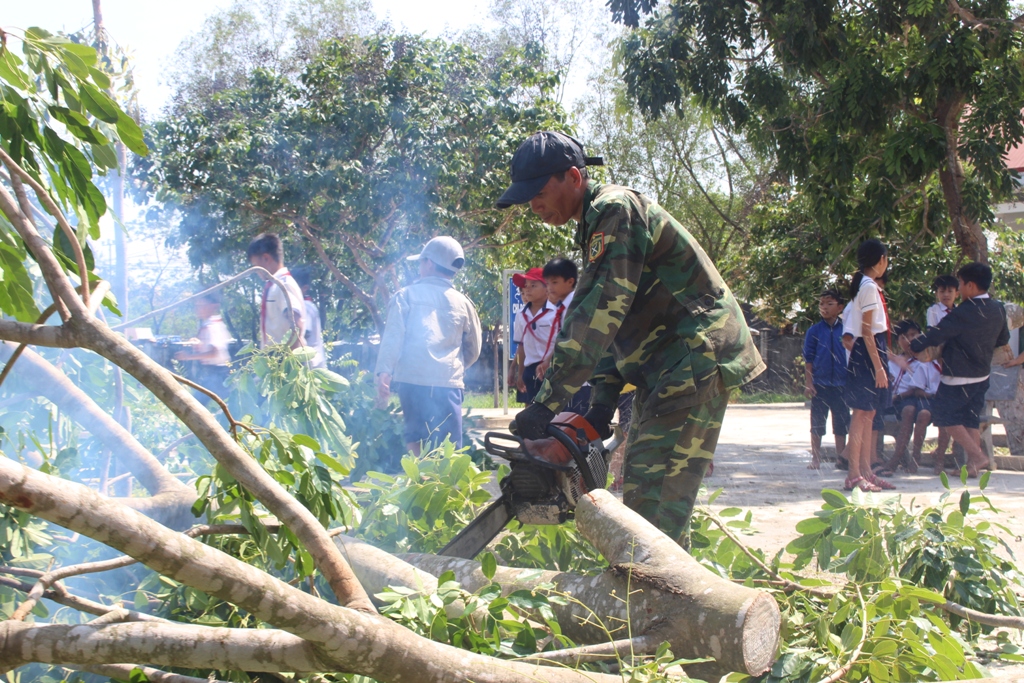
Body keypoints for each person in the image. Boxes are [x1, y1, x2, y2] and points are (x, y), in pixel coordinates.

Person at [496, 131, 764, 548]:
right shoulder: (594, 226)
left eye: (539, 192)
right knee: (651, 504)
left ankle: (658, 601)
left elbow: (598, 312)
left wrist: (545, 404)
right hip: (668, 366)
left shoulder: (614, 209)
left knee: (651, 510)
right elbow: (614, 322)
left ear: (573, 176)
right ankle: (675, 599)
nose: (534, 205)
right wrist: (601, 402)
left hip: (692, 358)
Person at [374, 236, 482, 455]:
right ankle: (447, 488)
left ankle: (421, 485)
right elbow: (474, 349)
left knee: (417, 442)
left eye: (421, 262)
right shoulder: (464, 303)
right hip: (448, 384)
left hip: (412, 382)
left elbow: (393, 338)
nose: (420, 266)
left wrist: (384, 372)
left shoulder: (405, 296)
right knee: (449, 450)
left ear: (429, 263)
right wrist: (453, 367)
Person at [910, 262, 1012, 477]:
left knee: (944, 415)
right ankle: (973, 466)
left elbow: (938, 334)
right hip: (982, 374)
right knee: (970, 418)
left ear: (971, 286)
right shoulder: (998, 308)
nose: (959, 290)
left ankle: (977, 456)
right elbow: (1003, 339)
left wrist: (914, 346)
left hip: (958, 376)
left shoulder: (964, 311)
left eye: (961, 285)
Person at [842, 239, 893, 493]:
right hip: (868, 352)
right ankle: (853, 474)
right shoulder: (869, 287)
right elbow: (867, 331)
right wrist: (879, 367)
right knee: (861, 413)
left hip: (873, 350)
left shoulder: (866, 285)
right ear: (880, 260)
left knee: (870, 413)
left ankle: (866, 471)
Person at [882, 320, 940, 474]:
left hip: (913, 399)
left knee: (910, 409)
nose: (909, 341)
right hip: (894, 401)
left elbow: (916, 390)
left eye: (913, 335)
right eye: (903, 337)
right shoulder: (893, 362)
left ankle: (909, 458)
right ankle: (894, 458)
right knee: (907, 409)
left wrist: (898, 396)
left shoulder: (925, 361)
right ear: (897, 341)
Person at [803, 289, 850, 470]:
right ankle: (816, 458)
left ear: (840, 307)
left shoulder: (846, 329)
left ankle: (841, 457)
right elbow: (809, 359)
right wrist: (809, 383)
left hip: (841, 384)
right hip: (820, 384)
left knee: (841, 423)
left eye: (829, 304)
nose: (824, 308)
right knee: (817, 423)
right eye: (821, 304)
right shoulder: (814, 331)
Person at [538, 257, 591, 415]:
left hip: (579, 379)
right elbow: (560, 337)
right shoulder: (561, 307)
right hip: (568, 378)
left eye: (554, 282)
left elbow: (571, 340)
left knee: (576, 426)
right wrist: (548, 360)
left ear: (570, 281)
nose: (550, 287)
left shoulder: (576, 306)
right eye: (547, 283)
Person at [246, 233, 305, 349]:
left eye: (255, 265)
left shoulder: (284, 284)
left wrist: (288, 362)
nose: (256, 271)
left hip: (284, 359)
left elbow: (296, 324)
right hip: (274, 358)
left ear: (266, 258)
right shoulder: (273, 286)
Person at [925, 274, 958, 463]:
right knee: (942, 408)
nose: (946, 294)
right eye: (942, 291)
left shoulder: (961, 312)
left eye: (950, 291)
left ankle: (952, 451)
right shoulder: (934, 311)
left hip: (957, 362)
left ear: (957, 293)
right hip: (940, 361)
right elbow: (935, 335)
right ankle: (940, 454)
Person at [175, 290, 232, 398]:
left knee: (197, 404)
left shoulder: (214, 326)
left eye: (201, 305)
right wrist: (199, 343)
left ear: (213, 306)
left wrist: (188, 357)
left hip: (218, 373)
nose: (198, 309)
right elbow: (210, 346)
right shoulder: (208, 324)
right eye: (197, 305)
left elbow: (214, 353)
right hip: (212, 372)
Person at [511, 267, 554, 404]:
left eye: (533, 285)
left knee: (554, 414)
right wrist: (520, 373)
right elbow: (522, 346)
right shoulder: (520, 315)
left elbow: (563, 341)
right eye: (526, 286)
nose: (527, 289)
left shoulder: (557, 313)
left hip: (553, 369)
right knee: (532, 412)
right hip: (531, 370)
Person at [291, 266, 327, 369]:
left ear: (305, 288)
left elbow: (302, 334)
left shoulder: (305, 307)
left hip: (310, 366)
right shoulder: (305, 305)